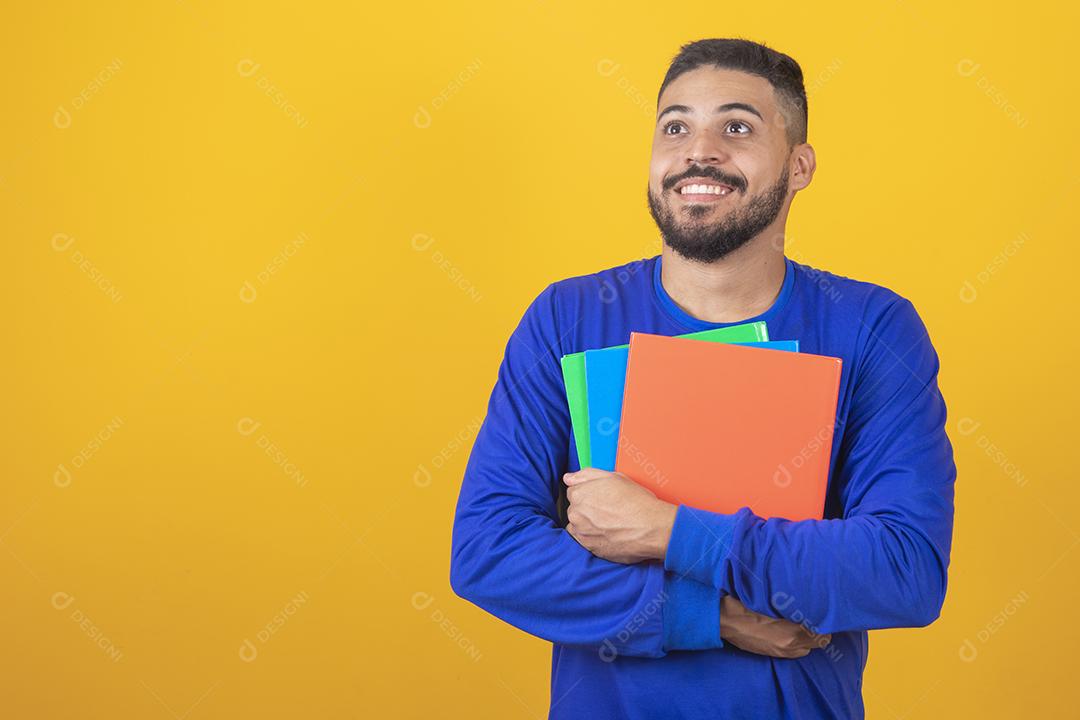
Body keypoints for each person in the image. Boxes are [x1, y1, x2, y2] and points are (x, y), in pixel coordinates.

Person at [449, 37, 955, 719]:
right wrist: (710, 616)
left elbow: (902, 570)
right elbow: (490, 552)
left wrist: (671, 531)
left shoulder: (872, 328)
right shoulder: (567, 319)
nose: (699, 151)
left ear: (799, 165)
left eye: (737, 127)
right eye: (676, 126)